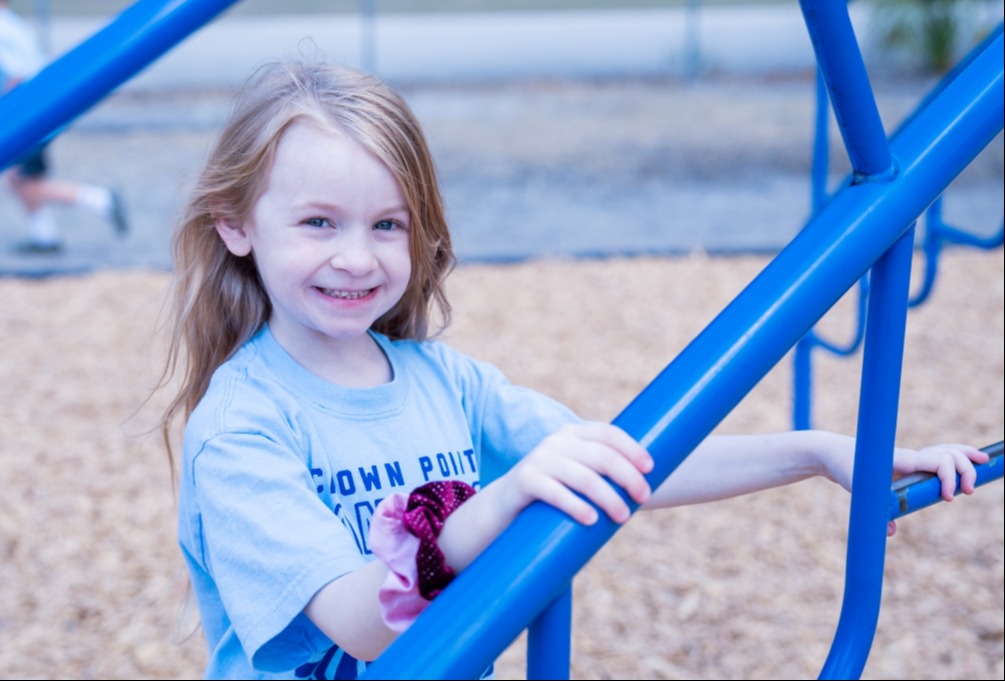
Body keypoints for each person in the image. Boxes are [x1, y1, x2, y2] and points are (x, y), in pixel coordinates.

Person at [156, 60, 988, 680]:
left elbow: (626, 462)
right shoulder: (241, 427)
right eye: (316, 221)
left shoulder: (441, 380)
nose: (355, 255)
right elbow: (361, 625)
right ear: (235, 225)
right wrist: (507, 495)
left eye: (386, 224)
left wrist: (817, 451)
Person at [0, 0, 128, 254]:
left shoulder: (3, 29)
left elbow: (17, 75)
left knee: (23, 179)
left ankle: (99, 199)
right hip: (40, 108)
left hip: (29, 113)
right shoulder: (12, 24)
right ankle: (45, 236)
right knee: (22, 176)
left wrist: (8, 110)